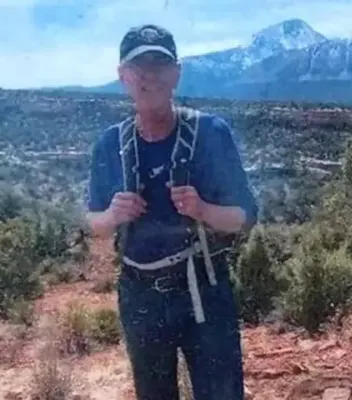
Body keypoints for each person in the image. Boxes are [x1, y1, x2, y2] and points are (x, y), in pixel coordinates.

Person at [85, 24, 258, 400]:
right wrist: (113, 216)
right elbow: (93, 224)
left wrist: (203, 209)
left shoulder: (212, 133)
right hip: (140, 296)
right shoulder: (109, 145)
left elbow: (246, 217)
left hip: (205, 290)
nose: (149, 76)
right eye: (138, 67)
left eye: (159, 64)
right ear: (122, 75)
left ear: (176, 73)